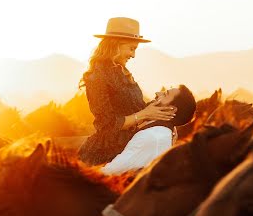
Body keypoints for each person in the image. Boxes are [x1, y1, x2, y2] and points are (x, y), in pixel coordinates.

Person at [78, 16, 195, 170]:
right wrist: (145, 115)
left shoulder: (122, 72)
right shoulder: (97, 77)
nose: (133, 55)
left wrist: (166, 122)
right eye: (131, 48)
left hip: (132, 144)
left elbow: (138, 109)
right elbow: (106, 125)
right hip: (105, 153)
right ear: (115, 45)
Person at [101, 85, 196, 174]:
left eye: (165, 94)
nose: (157, 93)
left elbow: (110, 171)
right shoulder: (163, 132)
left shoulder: (153, 136)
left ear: (171, 109)